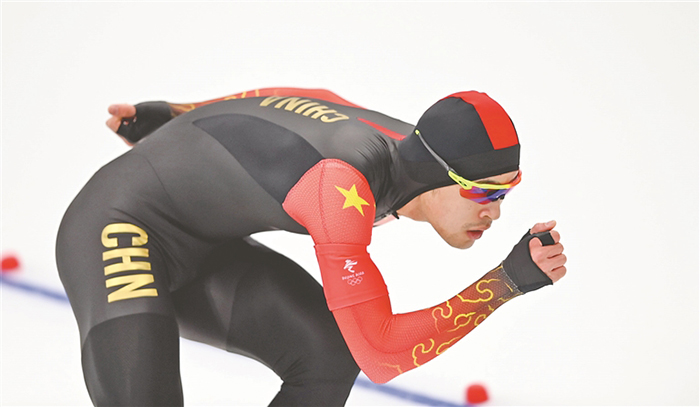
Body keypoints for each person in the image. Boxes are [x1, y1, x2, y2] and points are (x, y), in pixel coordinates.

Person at [56, 87, 566, 406]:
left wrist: (178, 113)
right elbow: (382, 354)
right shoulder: (339, 185)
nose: (495, 211)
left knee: (327, 357)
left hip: (209, 247)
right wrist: (505, 283)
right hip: (118, 229)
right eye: (484, 192)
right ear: (440, 176)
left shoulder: (408, 145)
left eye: (506, 192)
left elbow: (305, 97)